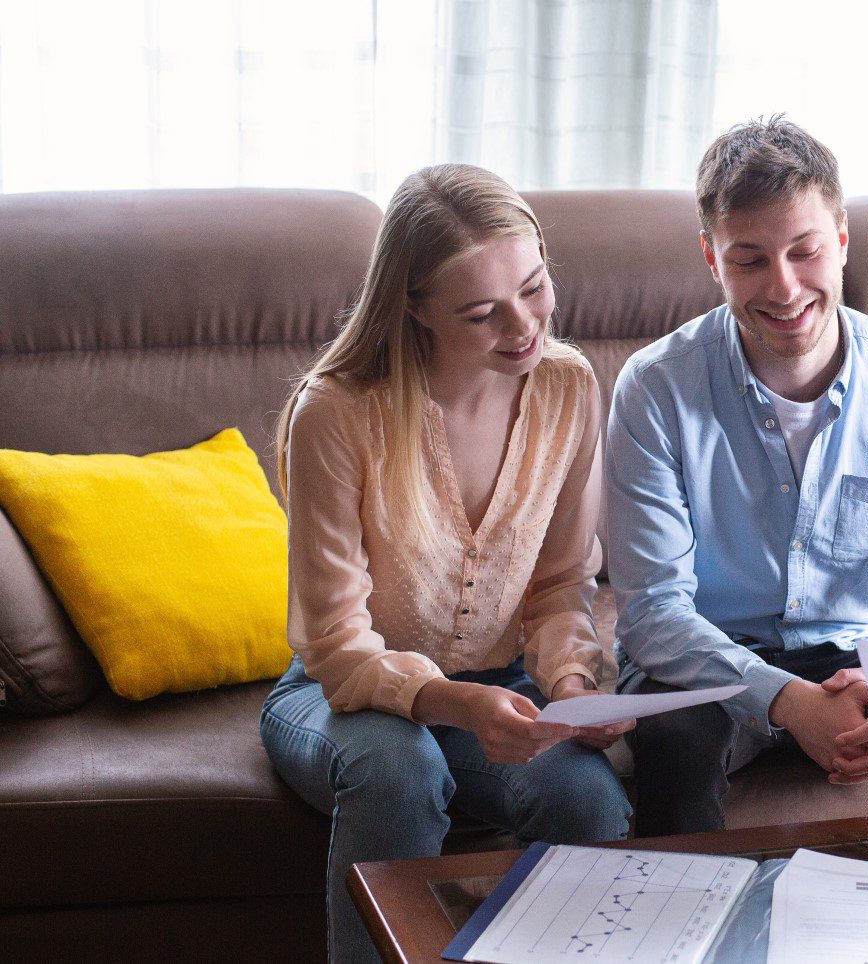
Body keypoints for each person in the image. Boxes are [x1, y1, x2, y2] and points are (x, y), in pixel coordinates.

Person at [259, 164, 633, 964]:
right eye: (481, 312)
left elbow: (563, 583)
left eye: (534, 287)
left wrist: (572, 690)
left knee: (588, 800)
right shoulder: (336, 412)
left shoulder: (569, 387)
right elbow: (331, 640)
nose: (524, 325)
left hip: (509, 688)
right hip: (342, 697)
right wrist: (450, 702)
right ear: (415, 307)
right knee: (400, 770)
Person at [606, 117, 868, 836]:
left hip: (859, 648)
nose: (785, 287)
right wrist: (791, 701)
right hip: (704, 656)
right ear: (710, 257)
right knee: (676, 741)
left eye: (806, 251)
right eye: (750, 260)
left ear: (843, 239)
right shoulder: (655, 388)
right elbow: (652, 614)